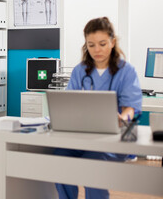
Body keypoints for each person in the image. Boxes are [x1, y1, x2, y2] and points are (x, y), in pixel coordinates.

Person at [54, 17, 142, 199]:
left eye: (102, 43)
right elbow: (69, 102)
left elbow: (131, 109)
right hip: (84, 135)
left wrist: (122, 118)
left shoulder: (126, 71)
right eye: (91, 45)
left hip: (115, 138)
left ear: (113, 42)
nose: (97, 50)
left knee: (91, 163)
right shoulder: (80, 71)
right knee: (59, 158)